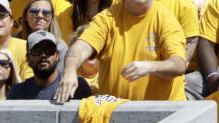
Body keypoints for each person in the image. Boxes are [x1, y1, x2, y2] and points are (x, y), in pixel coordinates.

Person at [53, 0, 186, 103]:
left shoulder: (165, 18)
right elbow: (80, 47)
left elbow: (178, 64)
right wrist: (70, 71)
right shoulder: (107, 18)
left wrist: (151, 66)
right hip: (115, 116)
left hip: (163, 119)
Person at [7, 29, 90, 98]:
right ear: (28, 58)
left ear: (57, 56)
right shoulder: (17, 92)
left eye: (49, 50)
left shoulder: (76, 86)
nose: (43, 55)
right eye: (37, 51)